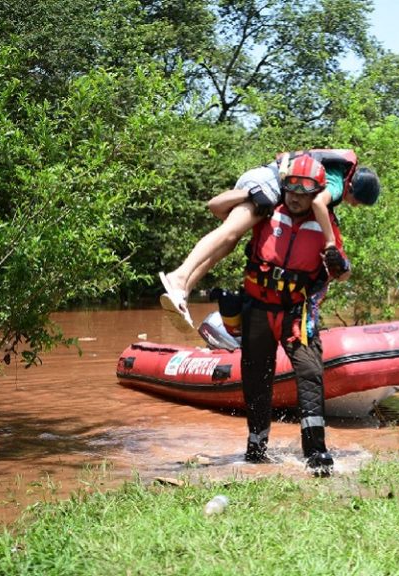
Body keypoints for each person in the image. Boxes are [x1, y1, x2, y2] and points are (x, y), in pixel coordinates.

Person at [158, 149, 379, 332]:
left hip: (261, 179)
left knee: (229, 242)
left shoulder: (336, 172)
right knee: (229, 232)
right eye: (357, 201)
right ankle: (179, 276)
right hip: (266, 183)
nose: (355, 205)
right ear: (353, 189)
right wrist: (330, 242)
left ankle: (183, 290)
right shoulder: (338, 181)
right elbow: (319, 203)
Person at [234, 154, 350, 476]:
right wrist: (248, 195)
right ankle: (256, 448)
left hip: (297, 315)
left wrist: (340, 265)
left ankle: (316, 453)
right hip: (257, 308)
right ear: (283, 188)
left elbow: (342, 272)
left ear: (317, 194)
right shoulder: (266, 212)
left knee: (310, 373)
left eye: (305, 193)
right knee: (256, 377)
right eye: (291, 191)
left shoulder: (327, 225)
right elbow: (221, 216)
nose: (296, 198)